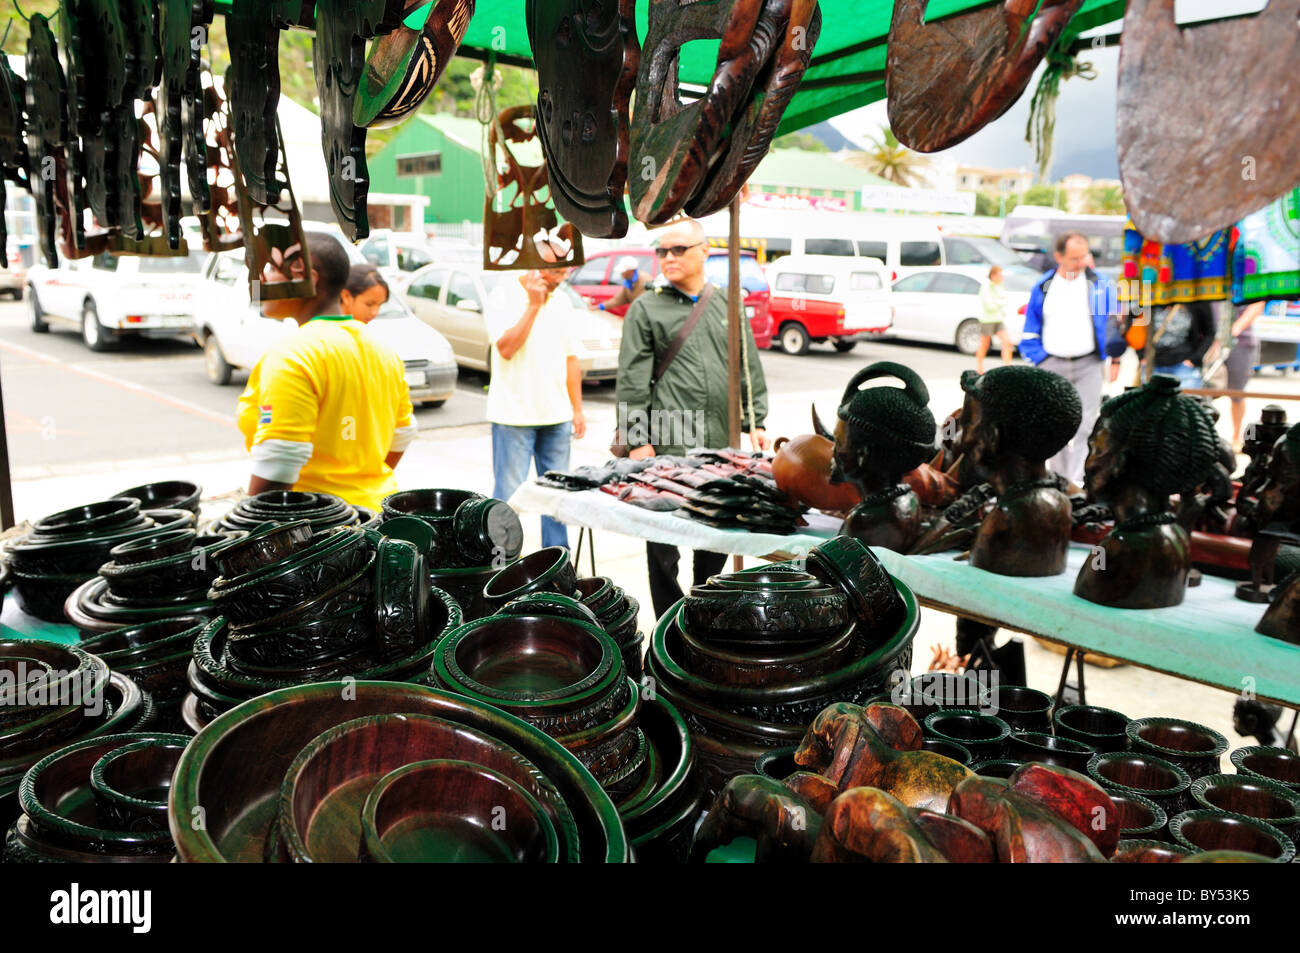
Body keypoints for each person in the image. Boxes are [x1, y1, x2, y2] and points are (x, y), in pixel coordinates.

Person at [616, 218, 770, 618]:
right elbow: (631, 380)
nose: (668, 258)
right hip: (667, 442)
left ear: (704, 251)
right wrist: (637, 440)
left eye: (678, 249)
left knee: (714, 534)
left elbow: (747, 365)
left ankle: (705, 613)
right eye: (662, 251)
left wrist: (757, 420)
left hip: (720, 439)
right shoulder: (645, 308)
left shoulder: (727, 302)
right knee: (662, 541)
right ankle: (669, 621)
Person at [236, 232, 416, 512]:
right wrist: (358, 479)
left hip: (318, 531)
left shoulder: (294, 355)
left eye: (271, 269)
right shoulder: (384, 351)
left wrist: (251, 527)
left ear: (305, 275)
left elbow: (280, 460)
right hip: (376, 516)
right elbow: (403, 432)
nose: (262, 280)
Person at [484, 245, 586, 549]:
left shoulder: (564, 302)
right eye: (554, 271)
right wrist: (532, 305)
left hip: (557, 416)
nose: (559, 278)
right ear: (533, 263)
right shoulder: (504, 294)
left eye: (564, 271)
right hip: (514, 416)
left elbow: (572, 359)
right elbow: (505, 348)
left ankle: (557, 563)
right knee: (509, 497)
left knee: (557, 498)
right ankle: (501, 564)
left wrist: (577, 409)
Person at [1017, 231, 1124, 485]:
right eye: (1075, 257)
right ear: (1058, 257)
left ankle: (1078, 481)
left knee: (1087, 424)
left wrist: (1116, 358)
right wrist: (1038, 358)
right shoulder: (1044, 286)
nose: (1082, 262)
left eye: (1085, 255)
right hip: (1051, 365)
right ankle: (1059, 479)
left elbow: (1114, 325)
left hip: (1089, 364)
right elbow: (1031, 325)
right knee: (1054, 425)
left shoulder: (1100, 284)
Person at [1226, 301, 1264, 450]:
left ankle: (1236, 436)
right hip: (1213, 340)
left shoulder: (1249, 278)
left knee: (1237, 393)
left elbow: (1257, 304)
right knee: (1207, 389)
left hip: (1241, 342)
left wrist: (1235, 329)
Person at [1149, 301, 1216, 388]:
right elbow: (1133, 324)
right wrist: (1141, 355)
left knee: (1187, 399)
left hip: (1184, 365)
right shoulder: (1150, 296)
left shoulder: (1196, 300)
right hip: (1153, 364)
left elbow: (1209, 333)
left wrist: (1194, 359)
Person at [975, 264, 1014, 374]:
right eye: (1000, 275)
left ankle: (1007, 368)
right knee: (984, 345)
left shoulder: (999, 286)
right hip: (987, 320)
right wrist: (1000, 302)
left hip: (998, 319)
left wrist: (1000, 302)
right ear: (993, 276)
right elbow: (990, 306)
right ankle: (979, 368)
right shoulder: (986, 287)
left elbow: (1004, 300)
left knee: (1007, 342)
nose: (1002, 278)